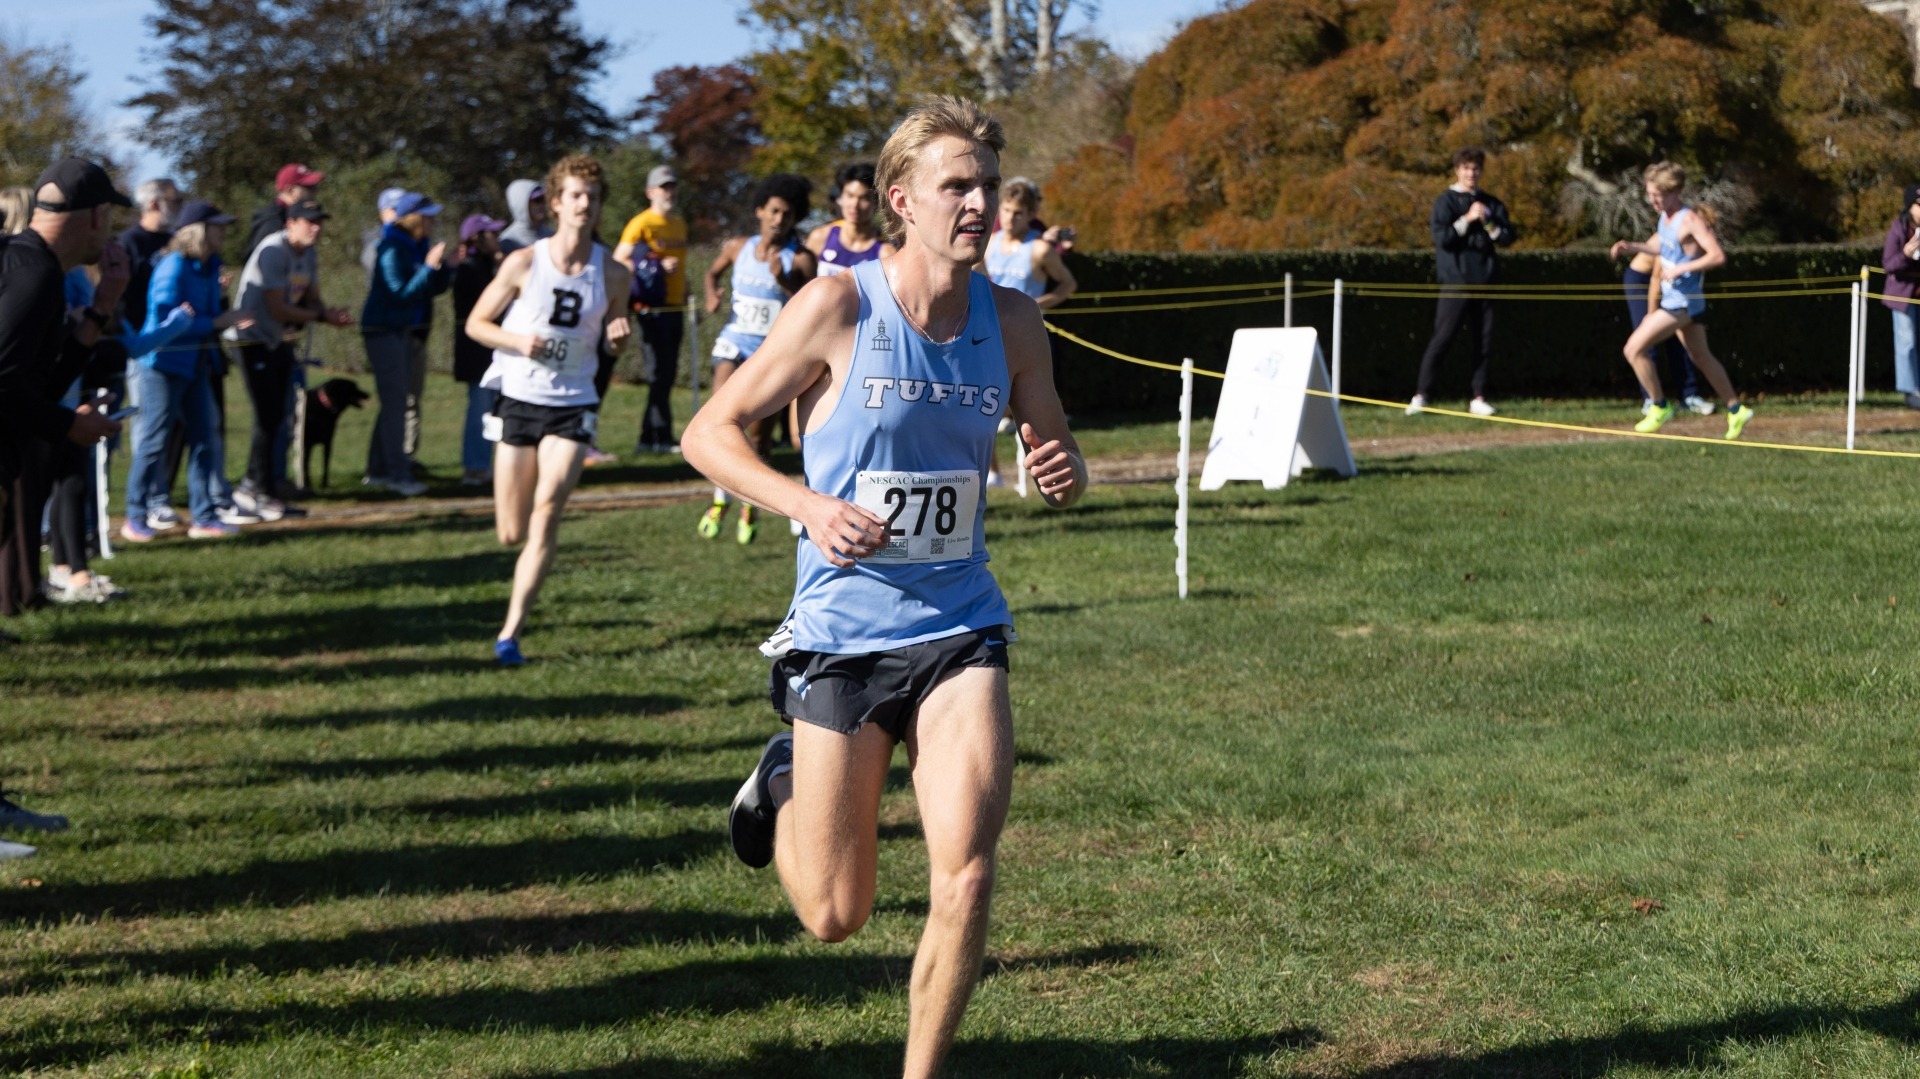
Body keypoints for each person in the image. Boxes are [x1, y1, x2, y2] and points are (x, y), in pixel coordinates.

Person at [685, 96, 1084, 1079]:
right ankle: (782, 780)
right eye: (957, 185)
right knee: (834, 910)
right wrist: (808, 506)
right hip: (842, 629)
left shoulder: (1015, 319)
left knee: (968, 869)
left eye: (987, 184)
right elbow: (708, 432)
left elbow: (1051, 434)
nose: (980, 202)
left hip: (960, 622)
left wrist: (1060, 463)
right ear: (902, 200)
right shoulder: (837, 304)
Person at [466, 155, 631, 666]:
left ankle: (510, 633)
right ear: (556, 202)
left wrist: (619, 337)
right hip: (519, 397)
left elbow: (616, 333)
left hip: (573, 402)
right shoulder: (522, 263)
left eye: (594, 197)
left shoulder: (613, 271)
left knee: (546, 512)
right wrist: (519, 340)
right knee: (510, 530)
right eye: (576, 195)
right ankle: (514, 608)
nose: (585, 204)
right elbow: (476, 324)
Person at [0, 159, 130, 621]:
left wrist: (100, 310)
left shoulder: (33, 266)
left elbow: (39, 385)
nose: (110, 229)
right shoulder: (32, 275)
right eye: (110, 216)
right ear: (95, 215)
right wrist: (70, 424)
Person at [123, 201, 258, 541]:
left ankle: (205, 517)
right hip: (162, 364)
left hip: (197, 364)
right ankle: (134, 515)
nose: (224, 232)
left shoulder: (210, 265)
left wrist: (220, 313)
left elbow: (208, 315)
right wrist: (217, 321)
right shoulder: (173, 266)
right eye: (218, 226)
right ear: (199, 231)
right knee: (154, 440)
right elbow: (169, 320)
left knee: (205, 438)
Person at [698, 174, 817, 544]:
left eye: (787, 213)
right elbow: (711, 271)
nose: (779, 219)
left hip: (770, 353)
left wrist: (785, 282)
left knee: (758, 437)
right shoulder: (737, 247)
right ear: (760, 211)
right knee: (720, 416)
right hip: (734, 342)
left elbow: (809, 302)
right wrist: (712, 294)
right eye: (774, 210)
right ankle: (720, 499)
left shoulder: (800, 257)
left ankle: (752, 502)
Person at [1610, 162, 1755, 439]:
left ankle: (1659, 405)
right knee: (1700, 356)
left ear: (1675, 191)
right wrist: (1633, 247)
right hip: (1682, 301)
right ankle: (1737, 410)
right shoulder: (1665, 218)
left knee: (1633, 349)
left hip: (1682, 303)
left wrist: (1681, 269)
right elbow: (1661, 247)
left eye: (1657, 195)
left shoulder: (1690, 220)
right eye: (1650, 194)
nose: (1652, 200)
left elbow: (1716, 255)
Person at [226, 201, 351, 520]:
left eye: (320, 221)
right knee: (267, 415)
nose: (317, 228)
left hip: (278, 342)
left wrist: (327, 311)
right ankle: (255, 490)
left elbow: (311, 297)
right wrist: (322, 316)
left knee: (278, 416)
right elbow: (278, 308)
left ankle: (259, 489)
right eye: (310, 221)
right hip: (250, 340)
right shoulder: (273, 251)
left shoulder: (308, 253)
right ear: (290, 222)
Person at [1406, 147, 1516, 418]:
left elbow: (1506, 238)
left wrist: (1487, 221)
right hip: (1455, 282)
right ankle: (1422, 395)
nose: (1471, 173)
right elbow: (1443, 238)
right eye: (1466, 168)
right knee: (1442, 339)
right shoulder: (1445, 201)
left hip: (1486, 282)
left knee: (1484, 341)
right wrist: (1466, 219)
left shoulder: (1491, 203)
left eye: (1476, 168)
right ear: (1457, 170)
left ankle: (1478, 397)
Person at [362, 192, 458, 496]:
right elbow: (399, 292)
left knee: (395, 401)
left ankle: (378, 470)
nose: (433, 221)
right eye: (428, 216)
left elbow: (429, 290)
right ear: (414, 219)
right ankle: (398, 475)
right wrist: (429, 268)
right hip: (383, 330)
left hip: (403, 330)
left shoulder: (416, 245)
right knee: (395, 404)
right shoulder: (391, 246)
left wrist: (447, 269)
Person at [614, 166, 691, 454]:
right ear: (650, 192)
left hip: (676, 307)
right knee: (657, 372)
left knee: (667, 373)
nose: (669, 192)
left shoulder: (680, 224)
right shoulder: (641, 224)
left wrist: (688, 294)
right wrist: (656, 266)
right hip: (652, 307)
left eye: (672, 186)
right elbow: (619, 261)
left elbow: (682, 268)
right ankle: (657, 436)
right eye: (663, 187)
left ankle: (653, 437)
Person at [1620, 235, 1712, 417]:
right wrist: (1651, 316)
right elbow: (1656, 279)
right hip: (1642, 281)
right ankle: (1652, 401)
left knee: (1682, 338)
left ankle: (1689, 396)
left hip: (1669, 284)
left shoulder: (1697, 240)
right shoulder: (1672, 234)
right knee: (1646, 341)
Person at [453, 212, 508, 486]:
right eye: (492, 234)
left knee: (491, 407)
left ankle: (484, 465)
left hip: (491, 350)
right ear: (477, 238)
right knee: (481, 408)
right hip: (476, 353)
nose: (497, 239)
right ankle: (474, 468)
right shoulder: (470, 268)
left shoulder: (485, 266)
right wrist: (500, 265)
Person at [807, 163, 896, 278]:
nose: (854, 205)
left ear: (877, 203)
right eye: (850, 195)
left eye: (864, 198)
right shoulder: (820, 237)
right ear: (840, 198)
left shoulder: (885, 253)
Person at [116, 178, 183, 332]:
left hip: (176, 335)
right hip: (140, 337)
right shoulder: (127, 243)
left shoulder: (178, 241)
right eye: (176, 200)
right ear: (154, 204)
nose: (181, 207)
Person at [1882, 184, 1920, 411]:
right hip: (1902, 297)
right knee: (1907, 342)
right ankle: (1910, 391)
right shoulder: (1898, 228)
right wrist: (1906, 253)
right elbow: (1889, 264)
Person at [245, 163, 325, 261]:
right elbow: (265, 264)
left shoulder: (290, 216)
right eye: (310, 187)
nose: (315, 191)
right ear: (290, 190)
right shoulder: (272, 222)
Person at [498, 179, 551, 254]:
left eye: (543, 199)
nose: (542, 205)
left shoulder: (551, 235)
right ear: (521, 204)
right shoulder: (507, 242)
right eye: (537, 200)